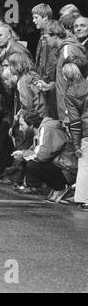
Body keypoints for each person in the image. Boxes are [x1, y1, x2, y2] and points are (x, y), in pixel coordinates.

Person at [12, 112, 78, 203]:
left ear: (30, 125)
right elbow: (37, 151)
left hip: (68, 169)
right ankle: (58, 188)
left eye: (21, 125)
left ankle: (61, 188)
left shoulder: (47, 128)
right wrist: (23, 153)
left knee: (33, 165)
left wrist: (23, 155)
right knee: (32, 162)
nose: (20, 128)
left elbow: (41, 155)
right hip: (62, 165)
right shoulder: (40, 129)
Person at [37, 20, 86, 121]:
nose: (45, 42)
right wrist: (51, 86)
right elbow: (65, 80)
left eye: (46, 37)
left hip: (71, 111)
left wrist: (71, 111)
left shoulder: (68, 50)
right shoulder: (63, 50)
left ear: (55, 35)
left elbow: (77, 83)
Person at [63, 62, 88, 209]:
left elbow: (75, 121)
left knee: (85, 164)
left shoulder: (70, 94)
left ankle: (84, 198)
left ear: (66, 77)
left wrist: (76, 144)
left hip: (86, 131)